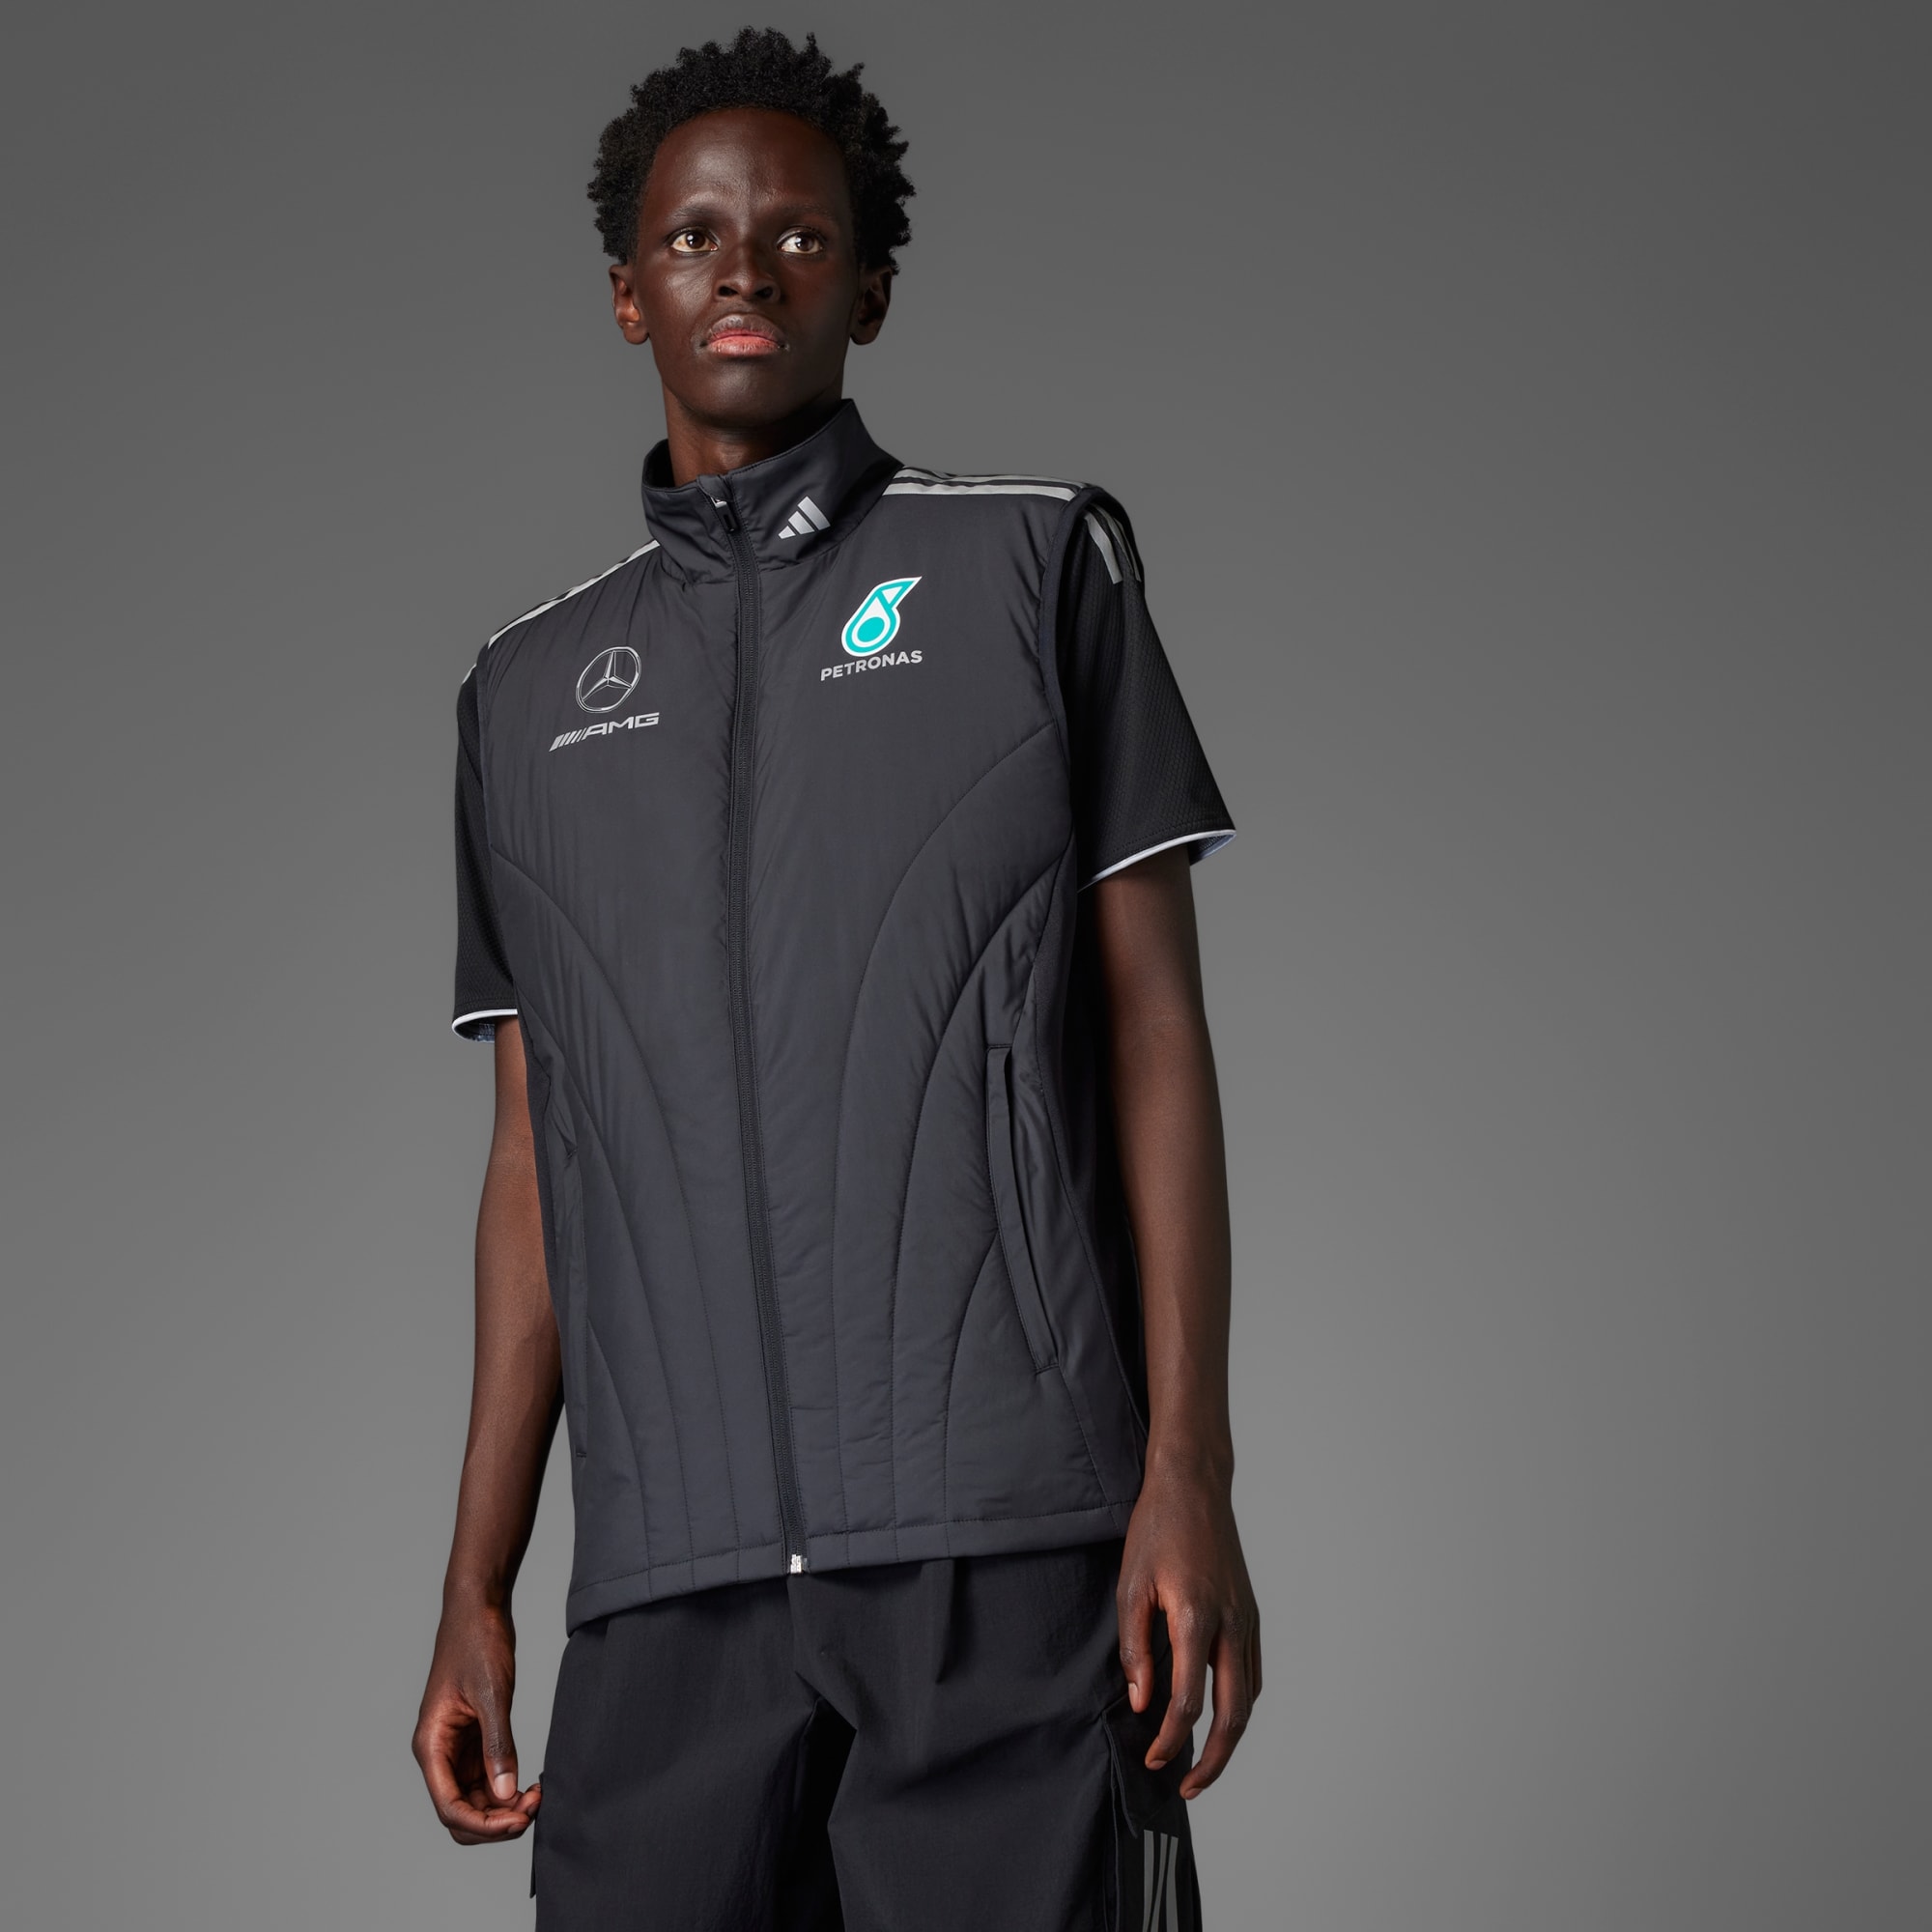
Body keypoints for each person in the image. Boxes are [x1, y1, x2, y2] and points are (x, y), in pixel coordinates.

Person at [412, 28, 1260, 1930]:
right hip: (667, 1594)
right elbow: (536, 1161)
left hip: (1007, 1557)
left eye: (799, 236)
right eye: (694, 236)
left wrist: (1186, 1472)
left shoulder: (1034, 568)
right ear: (626, 290)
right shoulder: (522, 699)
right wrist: (478, 1579)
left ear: (868, 288)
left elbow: (1156, 1033)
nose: (745, 269)